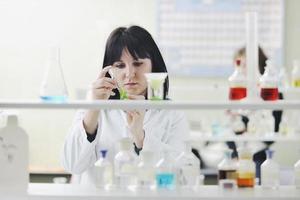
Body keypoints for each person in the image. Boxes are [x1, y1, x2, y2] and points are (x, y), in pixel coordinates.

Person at [61, 25, 189, 185]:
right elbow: (72, 165)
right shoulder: (93, 108)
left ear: (153, 65)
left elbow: (182, 174)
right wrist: (93, 110)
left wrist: (140, 137)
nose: (129, 73)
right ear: (109, 70)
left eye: (137, 63)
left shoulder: (172, 113)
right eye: (120, 65)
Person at [227, 46, 283, 182]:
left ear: (257, 65)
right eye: (238, 65)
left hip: (258, 156)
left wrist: (249, 122)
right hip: (236, 154)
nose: (239, 71)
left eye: (243, 65)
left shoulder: (272, 93)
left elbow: (271, 136)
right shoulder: (237, 92)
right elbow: (229, 132)